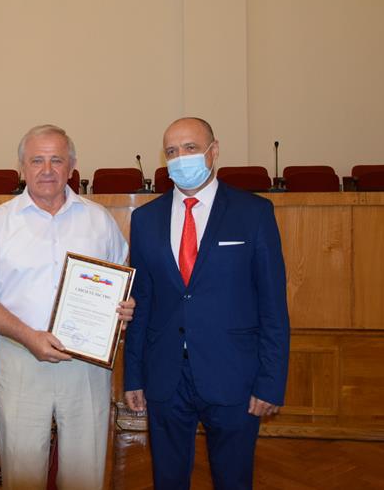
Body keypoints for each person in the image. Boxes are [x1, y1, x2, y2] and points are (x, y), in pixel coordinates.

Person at [0, 124, 133, 490]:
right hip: (19, 359)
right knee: (22, 473)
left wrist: (124, 308)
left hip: (86, 365)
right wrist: (29, 336)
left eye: (57, 160)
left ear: (72, 166)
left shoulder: (99, 220)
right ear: (21, 167)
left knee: (85, 473)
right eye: (37, 160)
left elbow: (121, 282)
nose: (47, 170)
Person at [123, 117, 290, 490]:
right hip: (165, 377)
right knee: (168, 480)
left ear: (214, 151)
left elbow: (273, 306)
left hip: (234, 376)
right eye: (171, 151)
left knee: (233, 480)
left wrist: (271, 382)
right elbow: (142, 303)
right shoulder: (145, 219)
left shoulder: (254, 213)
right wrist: (133, 375)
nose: (181, 157)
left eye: (190, 148)